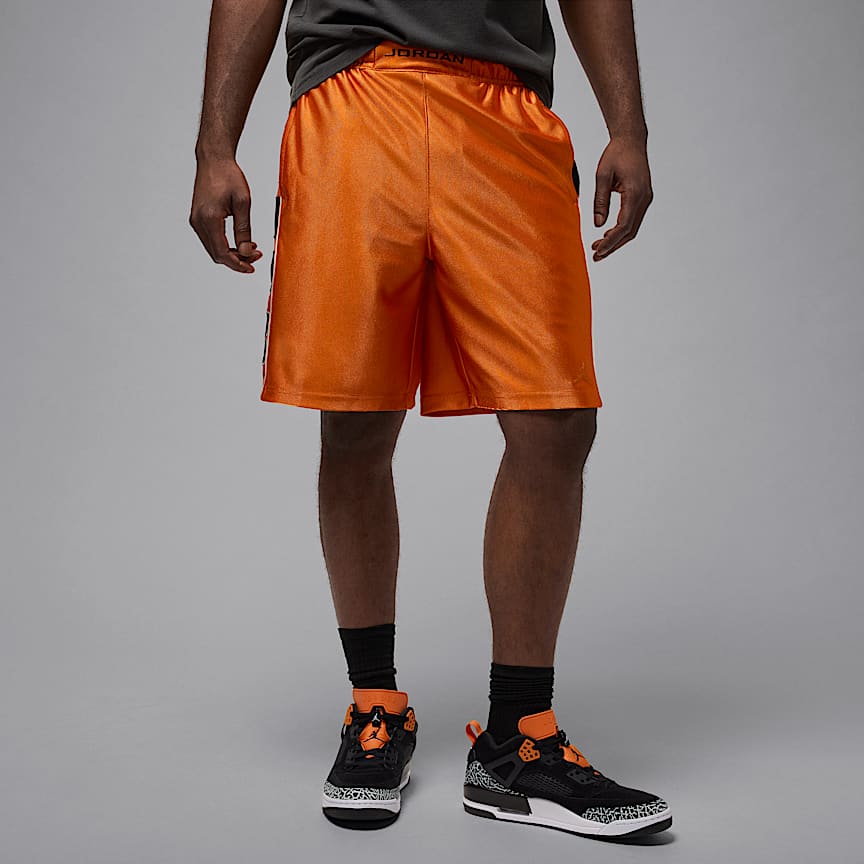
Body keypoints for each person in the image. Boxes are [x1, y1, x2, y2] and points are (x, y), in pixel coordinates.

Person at [190, 0, 667, 839]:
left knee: (558, 416)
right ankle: (375, 705)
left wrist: (629, 127)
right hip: (354, 91)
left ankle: (518, 740)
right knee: (356, 418)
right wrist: (214, 146)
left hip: (508, 106)